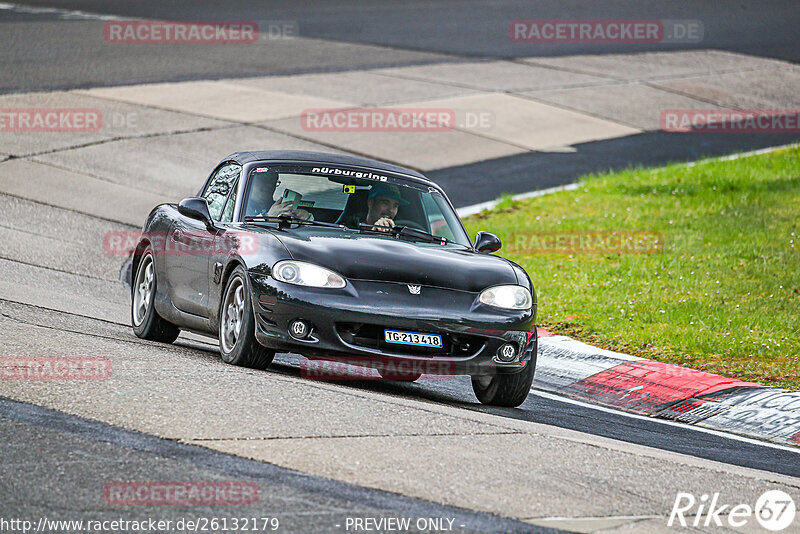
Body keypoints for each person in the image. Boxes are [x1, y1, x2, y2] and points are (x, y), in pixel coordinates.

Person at [247, 169, 312, 220]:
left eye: (273, 181)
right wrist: (268, 218)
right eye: (264, 180)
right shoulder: (241, 208)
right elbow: (245, 231)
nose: (270, 185)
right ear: (251, 182)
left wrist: (307, 218)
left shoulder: (280, 208)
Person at [340, 183, 408, 230]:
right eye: (385, 203)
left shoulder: (400, 235)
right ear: (370, 203)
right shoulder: (348, 228)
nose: (390, 210)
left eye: (395, 205)